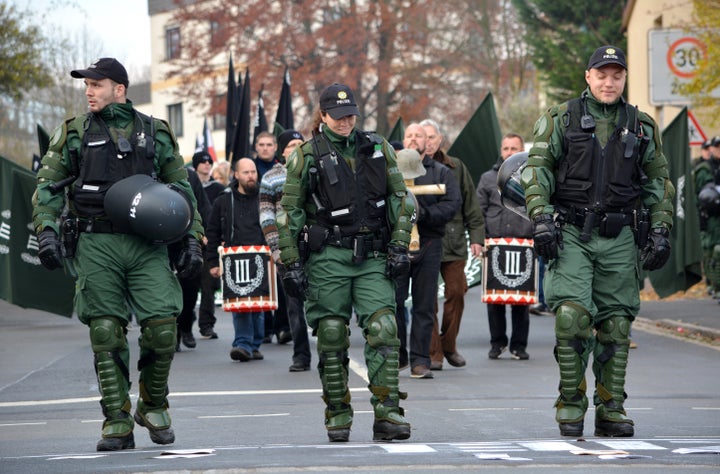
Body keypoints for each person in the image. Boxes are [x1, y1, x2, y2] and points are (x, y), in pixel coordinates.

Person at [32, 58, 204, 451]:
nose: (89, 91)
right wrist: (46, 231)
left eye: (97, 84)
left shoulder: (155, 132)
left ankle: (153, 405)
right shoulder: (73, 133)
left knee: (163, 327)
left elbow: (182, 189)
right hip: (96, 243)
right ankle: (116, 421)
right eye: (87, 85)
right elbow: (47, 187)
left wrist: (192, 236)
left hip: (147, 245)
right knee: (106, 332)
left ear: (119, 89)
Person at [520, 45, 674, 437]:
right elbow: (537, 169)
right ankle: (571, 405)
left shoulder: (641, 125)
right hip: (572, 232)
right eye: (602, 74)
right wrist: (540, 217)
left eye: (616, 75)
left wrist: (660, 228)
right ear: (588, 77)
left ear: (624, 78)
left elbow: (658, 180)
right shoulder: (560, 118)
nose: (609, 82)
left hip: (621, 235)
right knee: (572, 318)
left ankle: (612, 409)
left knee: (617, 325)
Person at [276, 83, 414, 442]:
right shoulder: (305, 155)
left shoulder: (378, 147)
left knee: (385, 329)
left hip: (372, 255)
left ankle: (388, 413)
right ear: (322, 116)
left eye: (350, 114)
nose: (345, 121)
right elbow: (289, 213)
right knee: (332, 336)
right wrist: (290, 262)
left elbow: (401, 198)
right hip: (328, 257)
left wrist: (400, 246)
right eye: (337, 116)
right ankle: (337, 413)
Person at [396, 123, 461, 379]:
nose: (414, 139)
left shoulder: (442, 173)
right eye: (409, 135)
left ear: (428, 142)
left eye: (419, 136)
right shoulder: (391, 172)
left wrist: (423, 214)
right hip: (398, 244)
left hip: (430, 244)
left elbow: (452, 204)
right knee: (394, 302)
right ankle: (399, 353)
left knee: (424, 306)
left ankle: (420, 360)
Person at [420, 119, 484, 371]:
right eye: (423, 137)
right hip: (424, 242)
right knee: (427, 301)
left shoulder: (456, 167)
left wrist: (477, 237)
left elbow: (472, 205)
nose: (427, 142)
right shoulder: (409, 167)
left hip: (454, 242)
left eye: (432, 137)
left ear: (440, 140)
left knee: (457, 292)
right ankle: (434, 352)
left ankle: (449, 345)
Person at [259, 129, 312, 372]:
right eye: (292, 144)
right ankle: (301, 355)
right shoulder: (271, 177)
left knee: (325, 301)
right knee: (294, 304)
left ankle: (332, 353)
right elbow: (266, 215)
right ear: (283, 151)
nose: (297, 148)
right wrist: (276, 247)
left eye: (300, 143)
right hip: (287, 248)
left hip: (317, 246)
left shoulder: (315, 170)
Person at [477, 133, 533, 361]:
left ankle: (519, 346)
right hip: (495, 244)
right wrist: (479, 240)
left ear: (522, 150)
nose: (510, 152)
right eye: (506, 148)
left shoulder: (534, 178)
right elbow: (478, 211)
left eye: (514, 148)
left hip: (525, 243)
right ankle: (497, 343)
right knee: (495, 299)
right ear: (501, 150)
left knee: (522, 300)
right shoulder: (487, 178)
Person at [207, 158, 267, 362]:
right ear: (236, 175)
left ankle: (254, 343)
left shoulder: (264, 198)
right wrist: (213, 262)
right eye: (246, 173)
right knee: (240, 304)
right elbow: (213, 231)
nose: (251, 176)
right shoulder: (223, 201)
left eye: (253, 172)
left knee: (258, 306)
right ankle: (242, 344)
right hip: (234, 259)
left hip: (262, 257)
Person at [175, 167, 212, 351]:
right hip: (162, 240)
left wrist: (202, 234)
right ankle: (172, 333)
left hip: (188, 240)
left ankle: (186, 326)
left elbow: (202, 206)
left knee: (190, 289)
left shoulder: (189, 175)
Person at [192, 150, 226, 339]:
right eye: (203, 162)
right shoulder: (188, 185)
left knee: (208, 285)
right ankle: (185, 325)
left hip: (209, 242)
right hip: (190, 241)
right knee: (187, 287)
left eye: (209, 162)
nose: (206, 164)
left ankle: (206, 325)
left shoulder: (218, 189)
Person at [693, 135, 720, 300]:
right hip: (711, 217)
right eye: (717, 147)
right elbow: (703, 196)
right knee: (712, 251)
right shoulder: (705, 168)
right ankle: (714, 286)